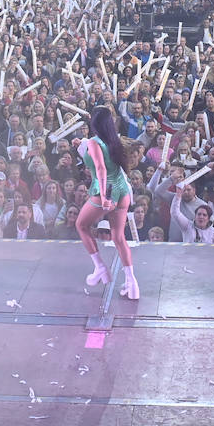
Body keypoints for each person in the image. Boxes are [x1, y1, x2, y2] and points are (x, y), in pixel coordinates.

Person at [75, 107, 139, 299]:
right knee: (119, 237)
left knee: (82, 225)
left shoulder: (95, 143)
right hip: (122, 190)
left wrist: (104, 197)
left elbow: (101, 169)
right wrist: (81, 145)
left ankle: (100, 268)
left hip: (106, 190)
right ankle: (132, 283)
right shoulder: (115, 140)